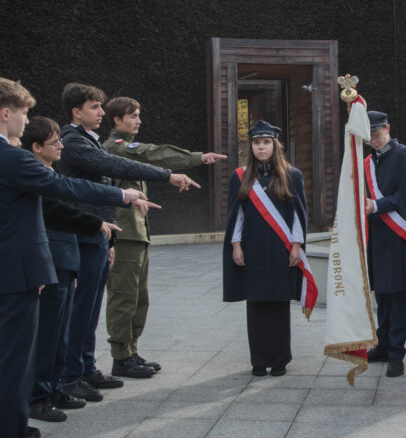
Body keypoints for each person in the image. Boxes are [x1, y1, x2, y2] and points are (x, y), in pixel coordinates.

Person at [0, 77, 154, 438]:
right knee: (16, 367)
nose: (25, 120)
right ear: (5, 113)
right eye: (23, 113)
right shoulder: (11, 158)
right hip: (21, 276)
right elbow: (62, 186)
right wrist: (123, 196)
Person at [56, 83, 196, 401]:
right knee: (84, 308)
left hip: (99, 233)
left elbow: (103, 181)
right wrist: (167, 175)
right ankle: (71, 374)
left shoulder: (87, 140)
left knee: (92, 308)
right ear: (77, 112)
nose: (101, 113)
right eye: (95, 107)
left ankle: (86, 367)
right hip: (84, 234)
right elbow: (114, 167)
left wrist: (115, 228)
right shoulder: (74, 142)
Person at [103, 96, 224, 378]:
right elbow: (154, 154)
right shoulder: (116, 147)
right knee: (123, 296)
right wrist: (196, 158)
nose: (138, 120)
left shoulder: (124, 148)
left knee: (138, 297)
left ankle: (131, 351)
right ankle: (121, 357)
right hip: (124, 235)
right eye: (132, 116)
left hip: (137, 233)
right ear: (117, 120)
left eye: (138, 115)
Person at [20, 117, 119, 423]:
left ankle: (55, 387)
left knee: (60, 332)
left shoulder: (50, 172)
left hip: (66, 259)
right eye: (54, 142)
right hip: (51, 260)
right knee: (48, 333)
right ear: (36, 147)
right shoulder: (34, 175)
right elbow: (53, 214)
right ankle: (38, 396)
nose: (61, 146)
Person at [223, 120, 308, 377]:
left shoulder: (292, 175)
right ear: (251, 146)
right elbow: (236, 215)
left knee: (279, 304)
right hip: (254, 248)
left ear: (275, 145)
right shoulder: (240, 176)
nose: (261, 147)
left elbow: (298, 214)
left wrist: (297, 245)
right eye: (257, 142)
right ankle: (259, 360)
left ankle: (280, 360)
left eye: (266, 142)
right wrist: (236, 245)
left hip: (282, 249)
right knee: (257, 304)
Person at [363, 111, 406, 378]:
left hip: (399, 237)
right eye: (369, 136)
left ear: (388, 129)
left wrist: (376, 205)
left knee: (399, 297)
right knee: (382, 295)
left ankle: (396, 354)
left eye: (377, 134)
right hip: (379, 237)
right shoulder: (368, 161)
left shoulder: (403, 155)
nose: (374, 140)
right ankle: (382, 345)